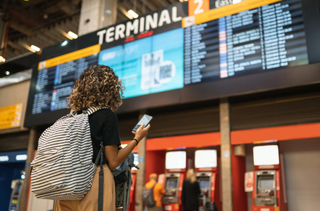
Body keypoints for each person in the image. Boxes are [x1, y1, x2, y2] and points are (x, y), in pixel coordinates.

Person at [56, 64, 150, 211]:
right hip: (94, 183)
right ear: (110, 88)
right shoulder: (106, 115)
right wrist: (137, 139)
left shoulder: (72, 117)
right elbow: (113, 162)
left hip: (67, 184)